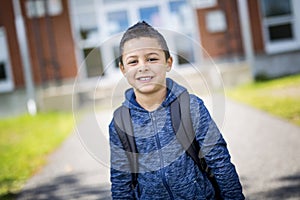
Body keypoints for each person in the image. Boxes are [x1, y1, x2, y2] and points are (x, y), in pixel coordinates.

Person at [109, 21, 244, 199]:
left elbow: (219, 160)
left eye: (152, 58)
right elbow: (121, 182)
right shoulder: (120, 122)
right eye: (133, 61)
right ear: (123, 69)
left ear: (168, 62)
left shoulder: (191, 106)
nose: (143, 66)